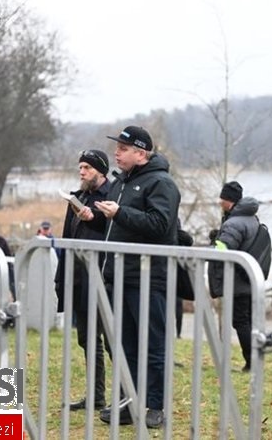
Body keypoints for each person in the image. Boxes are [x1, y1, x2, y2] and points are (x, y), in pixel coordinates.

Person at [94, 126, 180, 429]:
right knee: (125, 346)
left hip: (148, 278)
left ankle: (155, 406)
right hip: (119, 276)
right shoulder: (120, 182)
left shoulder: (162, 183)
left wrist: (119, 214)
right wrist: (94, 218)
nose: (116, 153)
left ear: (141, 154)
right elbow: (118, 226)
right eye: (117, 147)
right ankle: (128, 402)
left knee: (154, 345)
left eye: (123, 148)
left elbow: (159, 225)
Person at [53, 149, 111, 412]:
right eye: (80, 168)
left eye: (87, 168)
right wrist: (62, 276)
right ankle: (96, 395)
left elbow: (114, 232)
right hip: (79, 278)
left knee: (112, 341)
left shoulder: (112, 196)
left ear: (101, 170)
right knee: (87, 339)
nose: (82, 172)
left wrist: (95, 217)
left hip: (102, 277)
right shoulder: (77, 198)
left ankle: (126, 397)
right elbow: (67, 238)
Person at [207, 180, 264, 372]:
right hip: (250, 277)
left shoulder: (234, 223)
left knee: (240, 321)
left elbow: (222, 250)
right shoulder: (251, 218)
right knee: (249, 320)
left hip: (238, 281)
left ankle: (251, 362)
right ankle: (255, 359)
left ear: (229, 200)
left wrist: (213, 243)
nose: (219, 201)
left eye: (222, 198)